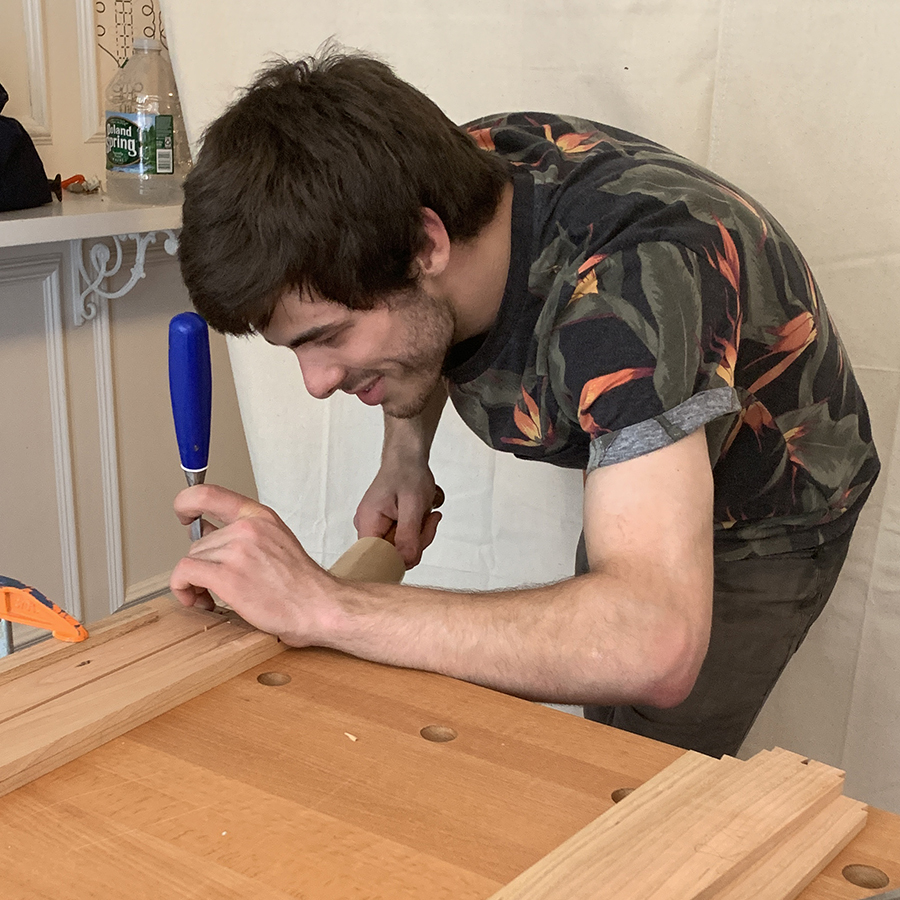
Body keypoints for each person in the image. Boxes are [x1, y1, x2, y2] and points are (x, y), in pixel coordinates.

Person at [172, 48, 879, 758]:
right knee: (597, 688)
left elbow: (652, 641)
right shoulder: (445, 175)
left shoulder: (626, 298)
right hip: (656, 425)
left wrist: (329, 606)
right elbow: (424, 322)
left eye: (329, 337)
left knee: (638, 768)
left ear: (425, 242)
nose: (316, 382)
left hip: (766, 501)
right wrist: (406, 456)